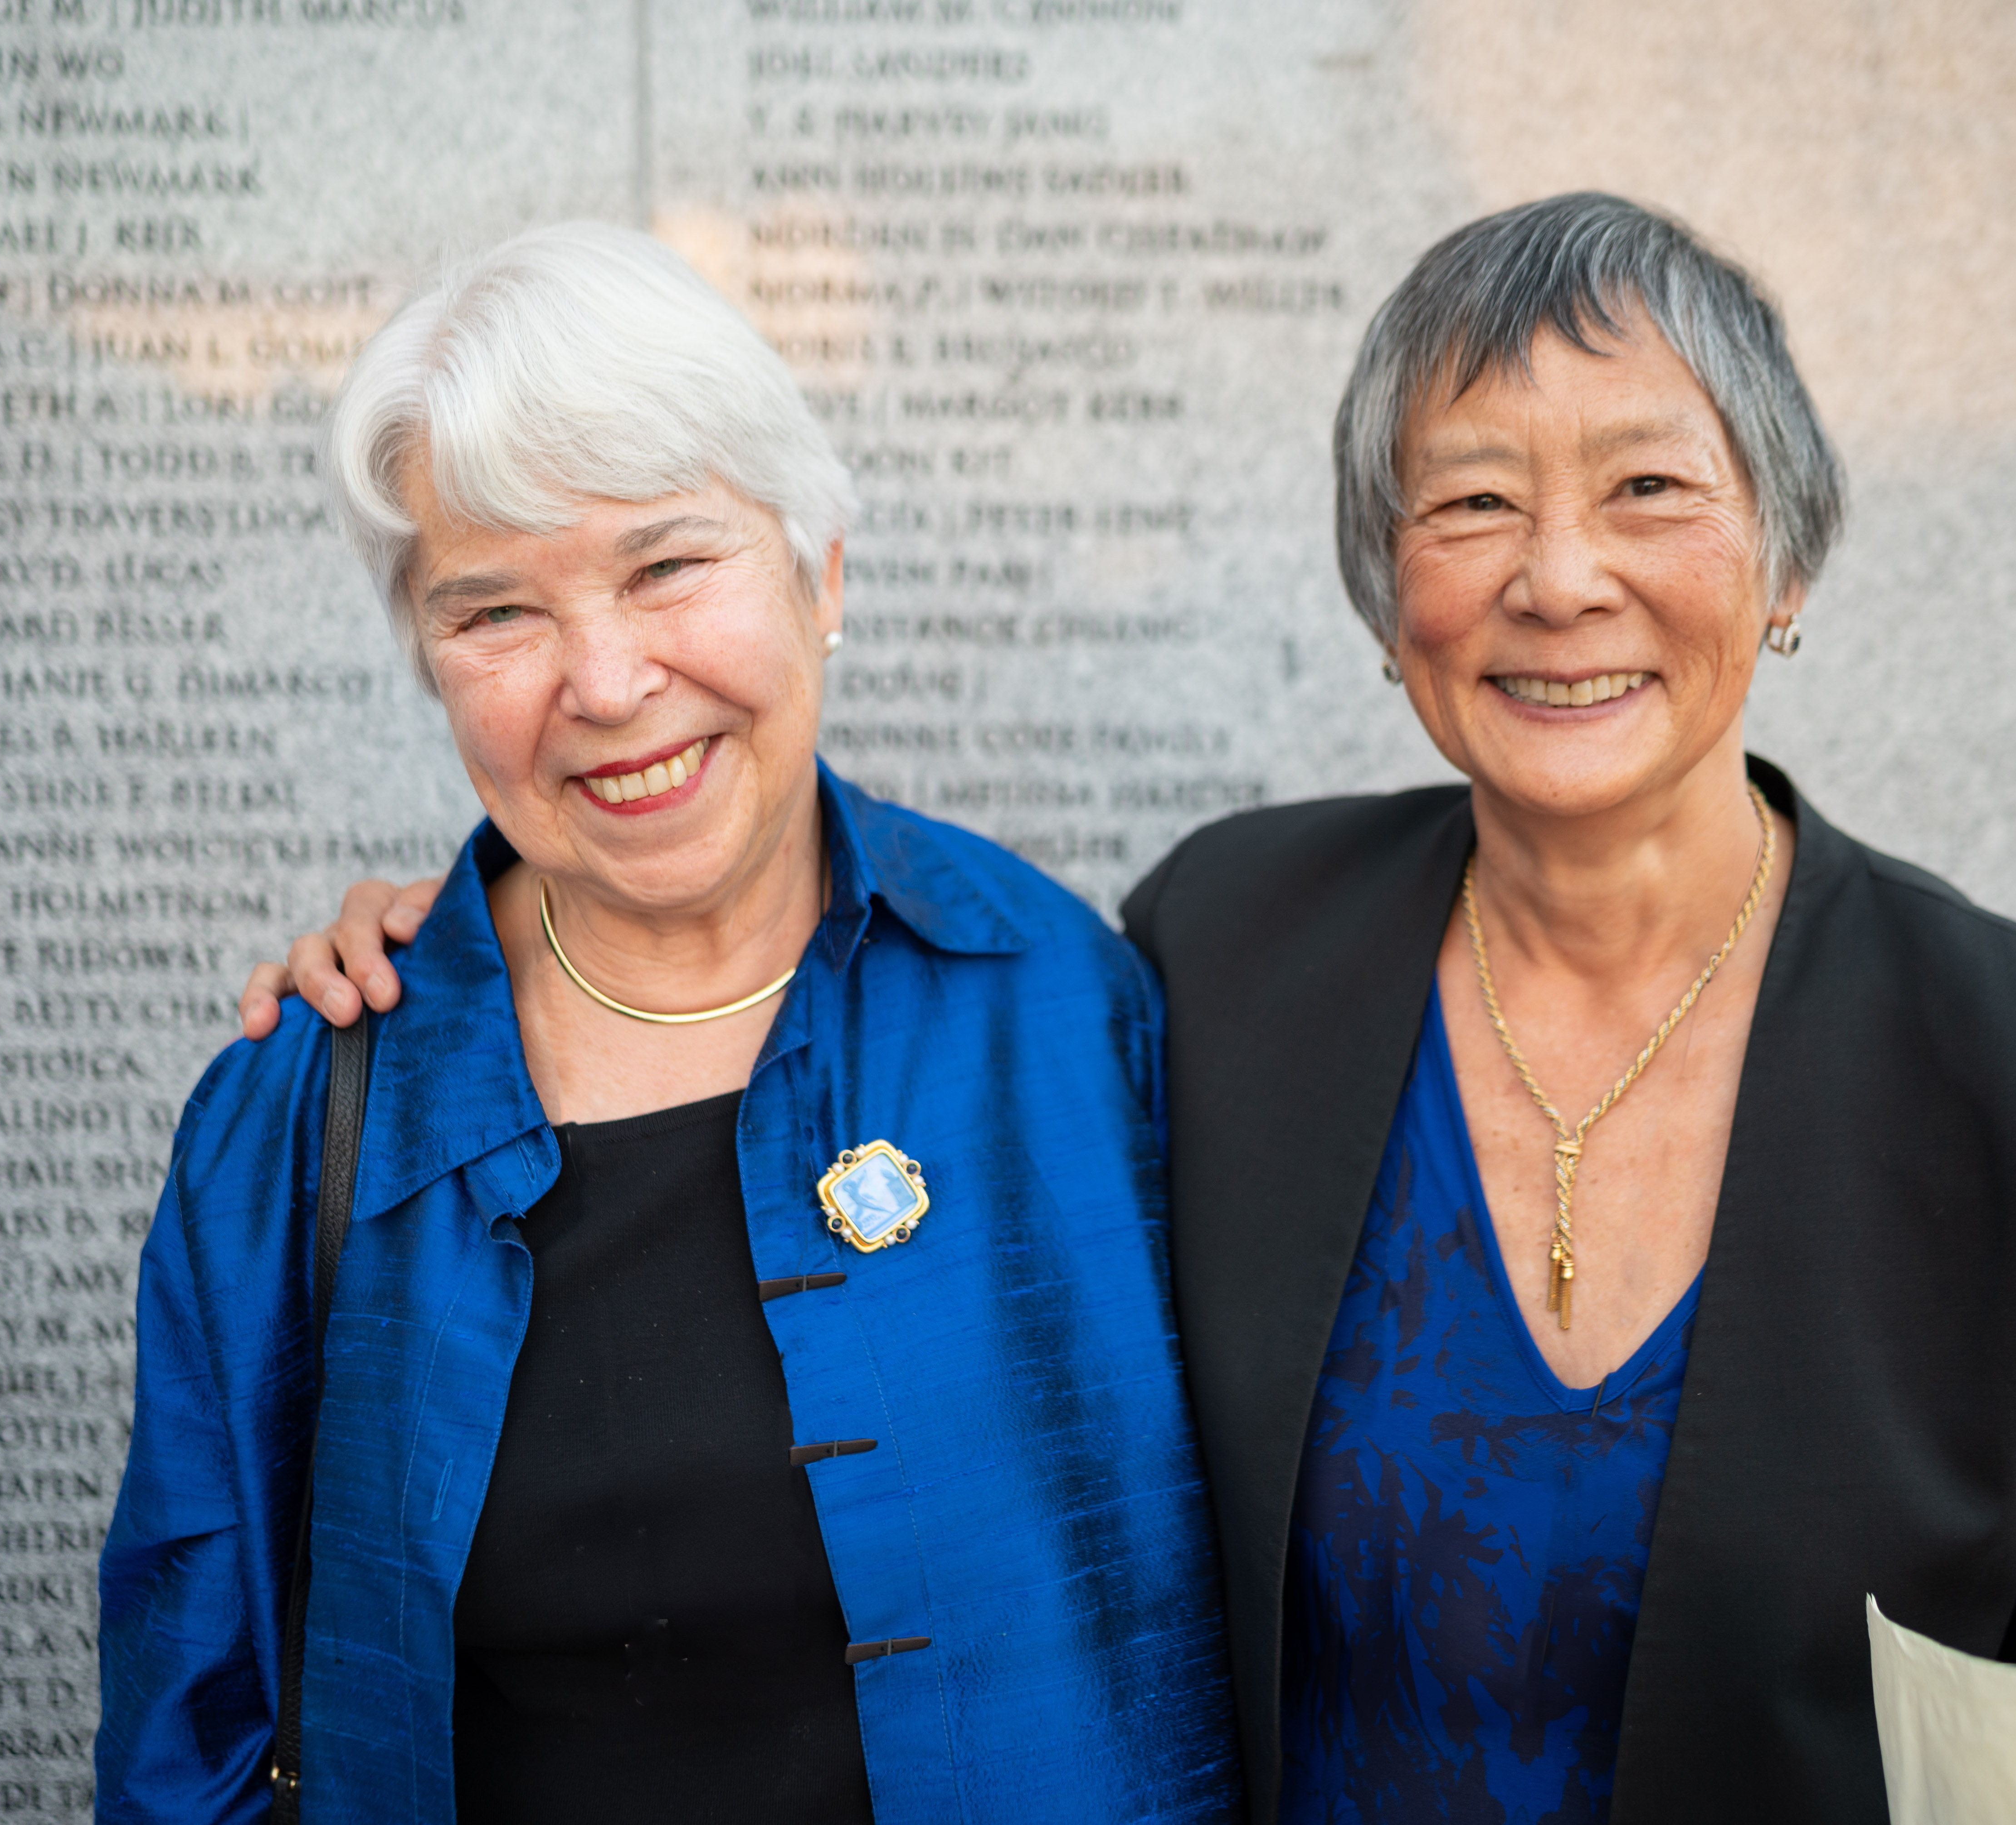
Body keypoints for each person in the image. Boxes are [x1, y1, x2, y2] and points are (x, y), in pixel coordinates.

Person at [253, 195, 2016, 1824]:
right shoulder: (1224, 955)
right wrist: (476, 936)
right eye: (1471, 502)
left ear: (1787, 555)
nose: (1557, 576)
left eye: (1652, 488)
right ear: (1386, 594)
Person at [95, 222, 1237, 1825]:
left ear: (819, 570)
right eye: (497, 613)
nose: (610, 682)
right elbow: (188, 1735)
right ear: (431, 664)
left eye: (666, 565)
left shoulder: (1067, 1010)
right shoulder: (305, 1118)